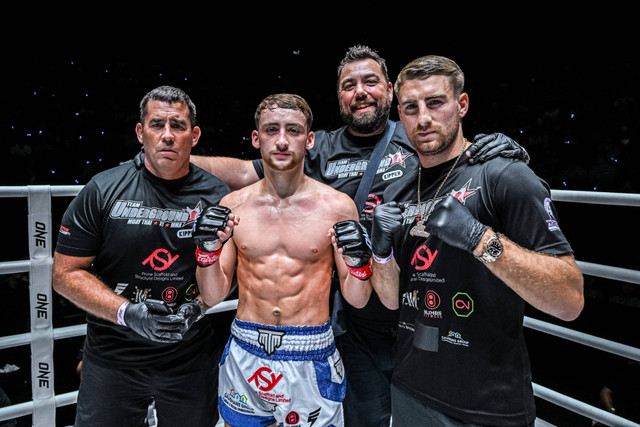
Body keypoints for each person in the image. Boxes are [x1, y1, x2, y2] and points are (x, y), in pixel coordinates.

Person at [188, 45, 530, 427]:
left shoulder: (418, 133)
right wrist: (175, 154)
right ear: (339, 96)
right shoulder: (321, 148)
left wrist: (502, 149)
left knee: (429, 408)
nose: (360, 91)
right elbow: (251, 169)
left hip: (419, 301)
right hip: (354, 319)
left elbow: (459, 152)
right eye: (349, 85)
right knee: (367, 415)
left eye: (370, 81)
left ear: (390, 91)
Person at [370, 55, 584, 426]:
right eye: (410, 108)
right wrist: (381, 252)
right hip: (409, 389)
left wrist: (479, 238)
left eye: (435, 103)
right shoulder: (397, 190)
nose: (423, 118)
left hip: (487, 405)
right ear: (399, 115)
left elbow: (569, 300)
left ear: (462, 104)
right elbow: (391, 300)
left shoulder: (505, 176)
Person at [52, 85, 230, 427]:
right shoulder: (103, 189)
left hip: (188, 356)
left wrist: (198, 308)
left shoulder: (218, 196)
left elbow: (227, 277)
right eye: (157, 124)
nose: (167, 135)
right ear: (140, 132)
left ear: (194, 135)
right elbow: (64, 274)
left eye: (177, 126)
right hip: (112, 356)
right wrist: (126, 313)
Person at [194, 93, 373, 427]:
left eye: (292, 130)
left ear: (309, 140)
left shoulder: (337, 206)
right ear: (255, 138)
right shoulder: (233, 204)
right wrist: (206, 253)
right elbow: (214, 295)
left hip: (311, 350)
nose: (281, 140)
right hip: (246, 346)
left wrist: (362, 263)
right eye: (271, 129)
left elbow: (358, 298)